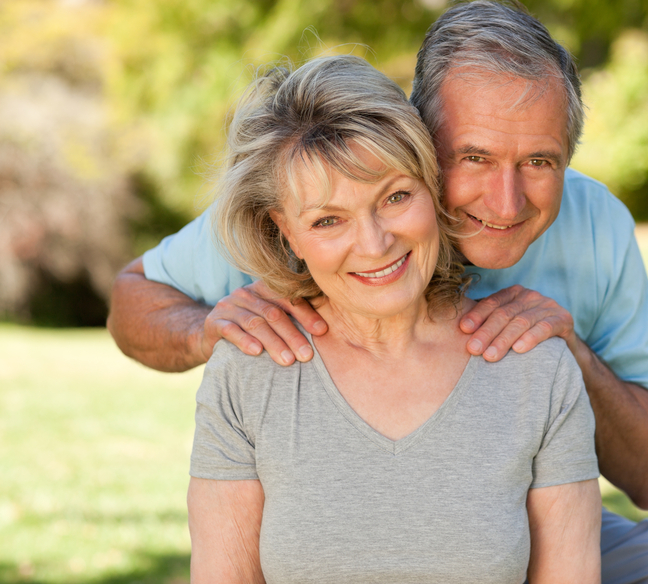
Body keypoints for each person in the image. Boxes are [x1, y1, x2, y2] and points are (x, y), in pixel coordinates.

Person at [108, 0, 648, 583]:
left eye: (539, 161)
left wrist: (574, 356)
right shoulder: (326, 192)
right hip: (331, 512)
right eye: (474, 157)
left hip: (531, 510)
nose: (506, 202)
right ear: (418, 138)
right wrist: (209, 328)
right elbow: (134, 299)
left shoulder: (594, 224)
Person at [186, 54, 602, 583]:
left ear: (433, 186)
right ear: (284, 231)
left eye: (396, 197)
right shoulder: (247, 375)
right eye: (328, 220)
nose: (375, 244)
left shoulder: (537, 371)